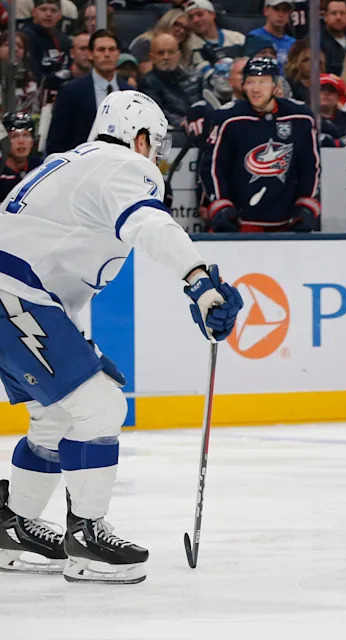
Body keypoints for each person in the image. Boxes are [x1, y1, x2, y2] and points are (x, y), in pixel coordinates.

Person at [0, 90, 242, 583]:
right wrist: (199, 280)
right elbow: (148, 224)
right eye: (155, 144)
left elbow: (49, 263)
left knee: (58, 412)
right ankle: (87, 538)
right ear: (140, 136)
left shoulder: (71, 163)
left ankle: (14, 527)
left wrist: (79, 347)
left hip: (19, 298)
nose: (156, 158)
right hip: (13, 295)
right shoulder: (123, 164)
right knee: (102, 406)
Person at [204, 57, 321, 233]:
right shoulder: (228, 118)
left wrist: (307, 204)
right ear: (242, 85)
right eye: (250, 82)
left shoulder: (300, 118)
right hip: (240, 224)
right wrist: (221, 204)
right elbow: (213, 166)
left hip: (286, 225)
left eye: (263, 82)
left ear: (276, 86)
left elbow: (310, 167)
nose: (256, 89)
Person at [46, 29, 132, 155]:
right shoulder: (71, 92)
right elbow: (56, 142)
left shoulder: (130, 92)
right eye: (101, 50)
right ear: (90, 54)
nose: (107, 54)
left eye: (112, 49)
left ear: (118, 54)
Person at [183, 0, 245, 73]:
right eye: (191, 18)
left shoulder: (237, 38)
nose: (195, 20)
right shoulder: (189, 46)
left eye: (199, 14)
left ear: (213, 14)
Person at [0, 112, 44, 202]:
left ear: (32, 142)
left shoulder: (41, 168)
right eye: (14, 136)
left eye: (26, 135)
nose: (21, 141)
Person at [246, 0, 296, 70]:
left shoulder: (293, 43)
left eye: (285, 10)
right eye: (276, 9)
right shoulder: (254, 37)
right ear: (265, 10)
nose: (281, 14)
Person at [321, 0, 346, 77]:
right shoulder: (317, 44)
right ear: (325, 17)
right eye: (334, 13)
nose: (338, 17)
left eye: (342, 13)